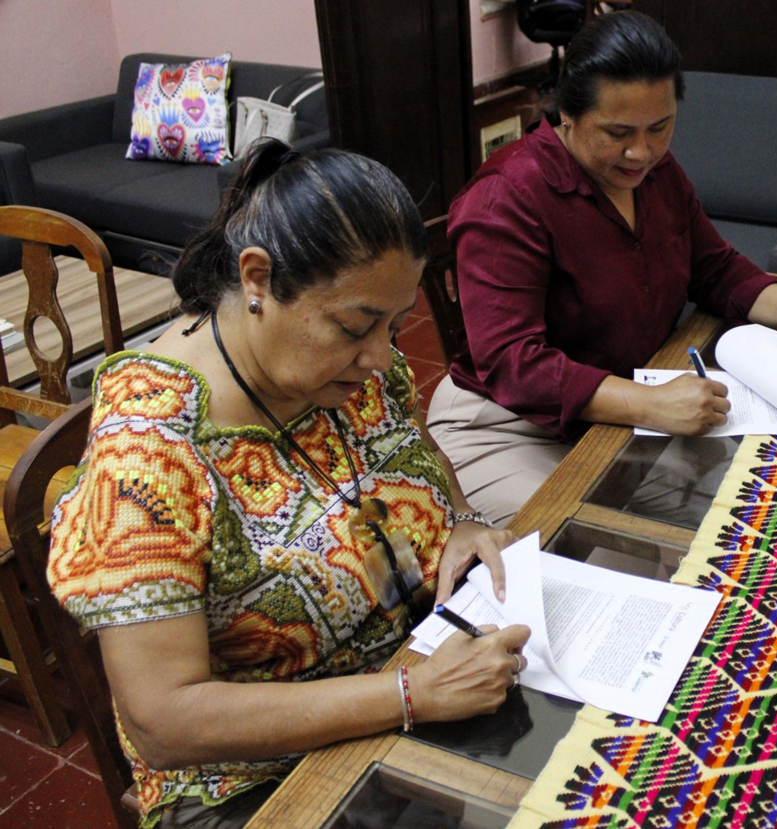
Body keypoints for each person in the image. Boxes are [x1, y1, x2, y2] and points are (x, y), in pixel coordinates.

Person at [47, 140, 531, 829]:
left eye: (394, 325)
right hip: (254, 775)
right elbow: (164, 717)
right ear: (256, 278)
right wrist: (407, 694)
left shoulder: (343, 366)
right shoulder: (150, 454)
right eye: (357, 326)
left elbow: (410, 446)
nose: (381, 355)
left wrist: (458, 517)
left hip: (414, 668)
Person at [427, 10, 777, 527]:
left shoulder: (657, 174)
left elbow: (714, 267)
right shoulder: (509, 197)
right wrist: (648, 404)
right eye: (618, 132)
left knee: (751, 502)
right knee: (587, 546)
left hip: (622, 408)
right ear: (565, 115)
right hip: (508, 425)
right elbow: (513, 363)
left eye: (659, 127)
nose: (642, 151)